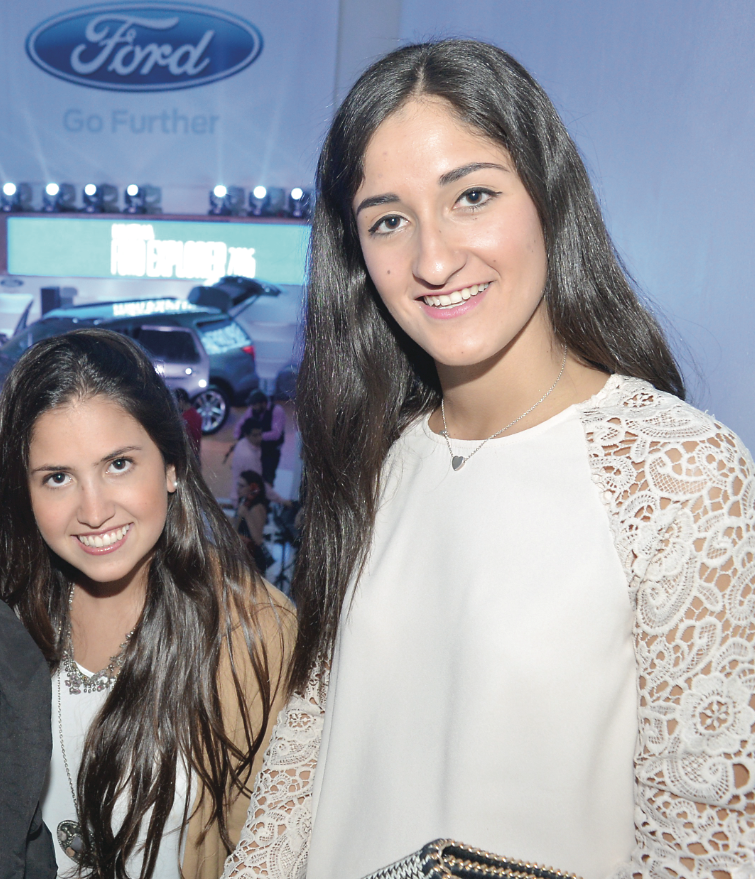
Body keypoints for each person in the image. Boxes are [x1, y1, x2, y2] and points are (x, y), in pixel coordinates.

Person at [225, 40, 755, 879]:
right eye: (388, 220)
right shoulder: (374, 461)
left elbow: (707, 841)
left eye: (471, 196)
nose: (432, 261)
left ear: (546, 194)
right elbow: (301, 768)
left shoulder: (675, 471)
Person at [0, 329, 295, 879]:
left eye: (118, 465)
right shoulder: (2, 619)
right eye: (58, 477)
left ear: (171, 465)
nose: (94, 512)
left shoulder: (252, 634)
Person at [233, 390, 284, 485]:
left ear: (263, 403)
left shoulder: (277, 411)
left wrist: (254, 437)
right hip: (256, 450)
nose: (252, 408)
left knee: (267, 478)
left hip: (271, 451)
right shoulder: (252, 410)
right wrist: (238, 437)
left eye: (254, 405)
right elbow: (240, 425)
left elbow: (276, 434)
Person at [232, 470, 271, 576]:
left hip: (253, 559)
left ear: (252, 488)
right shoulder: (244, 502)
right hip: (243, 555)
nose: (238, 489)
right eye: (238, 485)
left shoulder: (257, 508)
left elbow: (258, 539)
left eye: (242, 486)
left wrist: (247, 515)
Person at [173, 387, 203, 456]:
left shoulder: (185, 419)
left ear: (181, 401)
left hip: (187, 454)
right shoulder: (196, 414)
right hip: (194, 453)